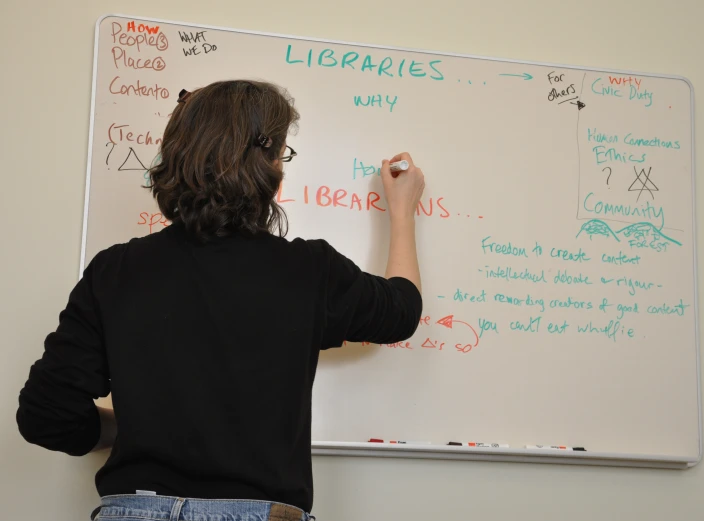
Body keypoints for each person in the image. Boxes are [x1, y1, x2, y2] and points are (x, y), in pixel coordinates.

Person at [17, 80, 425, 521]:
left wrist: (127, 428)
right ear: (269, 166)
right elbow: (401, 310)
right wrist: (402, 211)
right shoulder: (308, 270)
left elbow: (46, 415)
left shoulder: (115, 270)